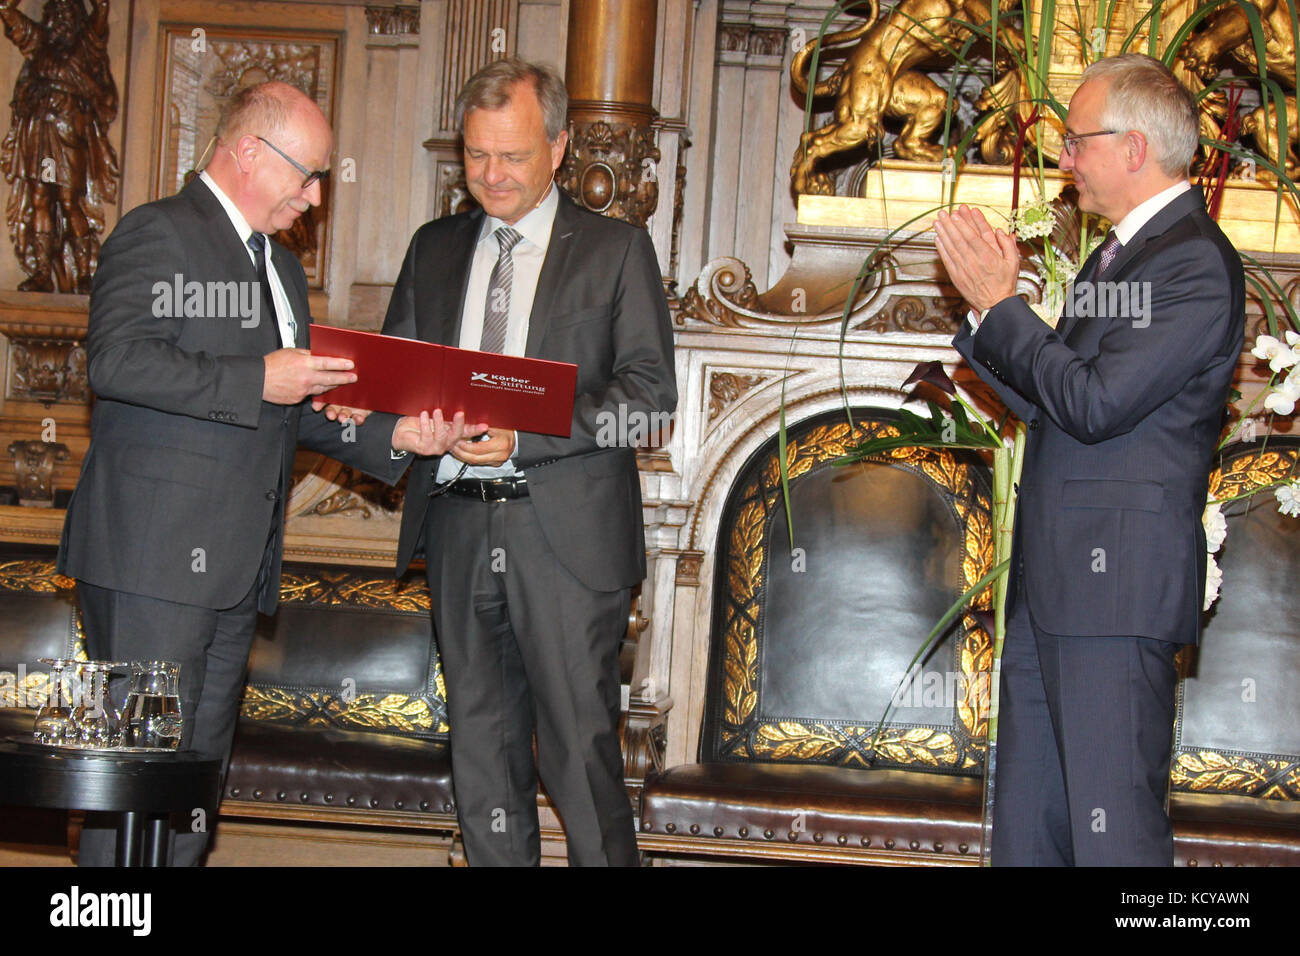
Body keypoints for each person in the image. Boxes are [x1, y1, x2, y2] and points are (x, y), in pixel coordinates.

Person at [58, 81, 474, 866]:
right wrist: (258, 377)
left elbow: (295, 406)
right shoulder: (157, 233)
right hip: (151, 564)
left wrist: (402, 435)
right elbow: (116, 362)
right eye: (307, 174)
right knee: (134, 786)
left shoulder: (279, 269)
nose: (316, 197)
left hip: (234, 569)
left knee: (189, 792)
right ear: (248, 152)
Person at [934, 53, 1245, 866]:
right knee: (1033, 840)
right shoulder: (1121, 255)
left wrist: (1007, 307)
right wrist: (987, 318)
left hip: (1113, 602)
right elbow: (1059, 406)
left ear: (1134, 147)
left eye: (1076, 142)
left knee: (1116, 844)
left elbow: (1097, 403)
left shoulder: (1192, 263)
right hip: (1059, 592)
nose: (1064, 161)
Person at [375, 58, 676, 866]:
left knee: (579, 757)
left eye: (511, 155)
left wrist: (528, 437)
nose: (491, 175)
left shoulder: (615, 249)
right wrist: (391, 412)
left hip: (566, 541)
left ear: (559, 144)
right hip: (459, 526)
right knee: (480, 754)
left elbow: (649, 401)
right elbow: (397, 376)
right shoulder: (433, 247)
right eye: (475, 156)